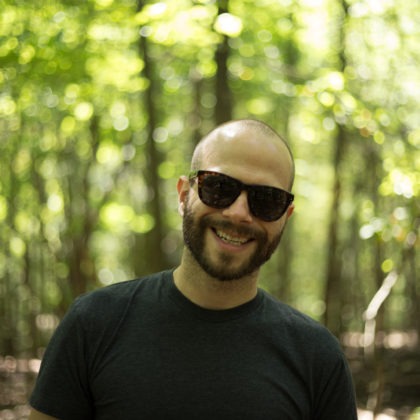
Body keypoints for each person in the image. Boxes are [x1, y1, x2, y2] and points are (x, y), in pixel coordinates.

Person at [29, 119, 357, 419]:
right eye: (218, 187)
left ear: (285, 217)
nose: (239, 213)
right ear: (184, 195)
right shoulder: (93, 324)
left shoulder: (317, 356)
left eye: (267, 200)